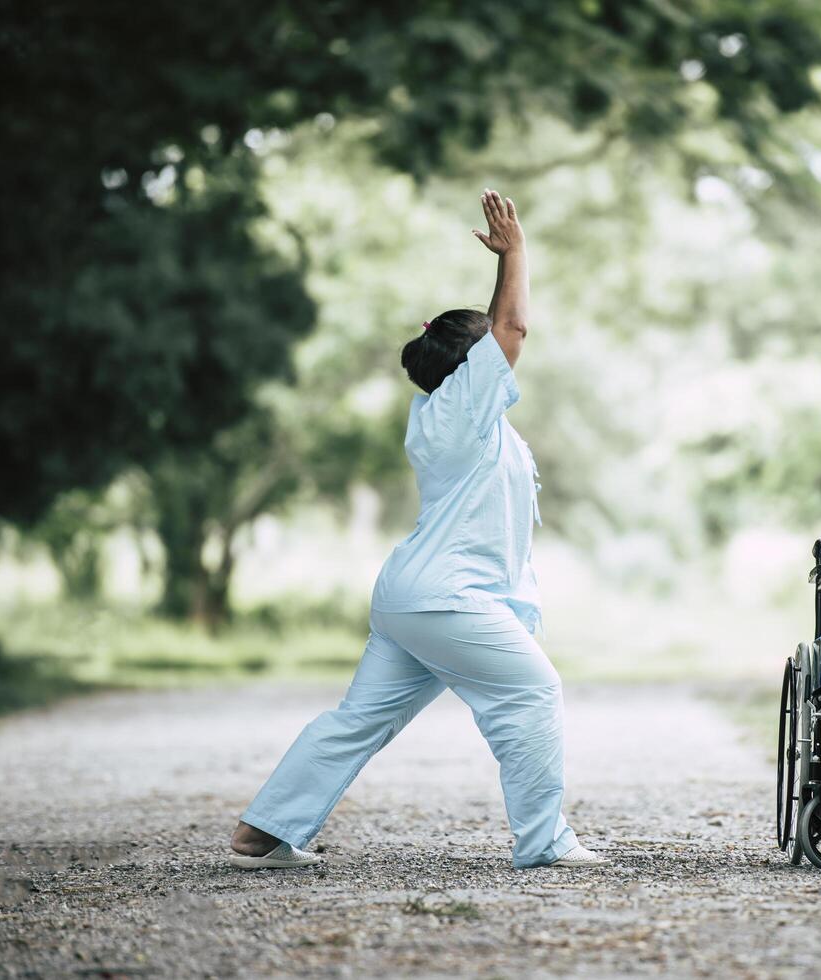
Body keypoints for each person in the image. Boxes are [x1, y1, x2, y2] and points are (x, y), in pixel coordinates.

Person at [228, 189, 604, 870]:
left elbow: (497, 337)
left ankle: (267, 829)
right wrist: (514, 254)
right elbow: (511, 330)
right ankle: (544, 843)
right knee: (532, 691)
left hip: (415, 598)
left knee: (359, 719)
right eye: (487, 346)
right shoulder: (460, 411)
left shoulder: (452, 412)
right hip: (444, 598)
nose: (506, 350)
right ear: (475, 364)